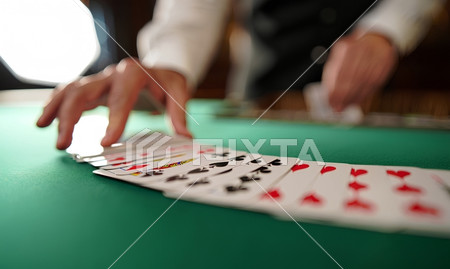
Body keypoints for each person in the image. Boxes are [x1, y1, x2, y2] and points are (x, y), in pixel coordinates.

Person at [37, 0, 445, 150]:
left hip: (383, 108)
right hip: (260, 107)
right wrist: (168, 62)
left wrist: (386, 31)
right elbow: (190, 12)